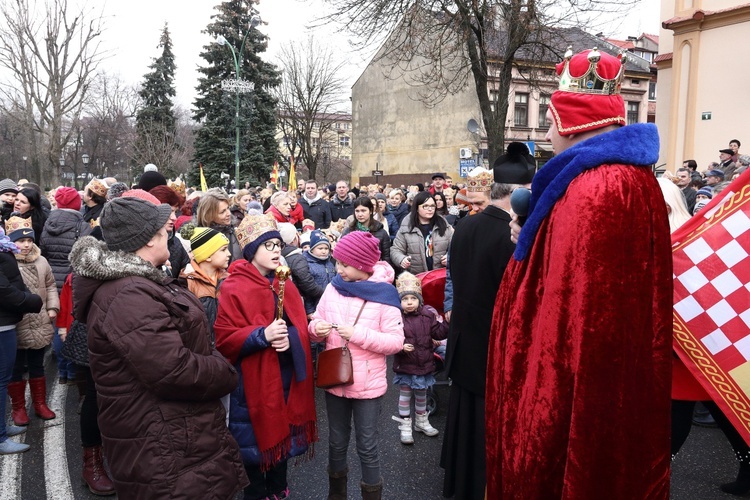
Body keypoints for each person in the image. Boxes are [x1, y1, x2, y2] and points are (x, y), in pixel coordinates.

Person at [485, 47, 672, 498]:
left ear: (571, 119)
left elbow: (582, 323)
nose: (547, 131)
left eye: (550, 119)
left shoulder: (599, 189)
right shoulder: (614, 179)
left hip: (565, 403)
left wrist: (540, 410)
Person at [69, 197, 247, 498]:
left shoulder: (136, 285)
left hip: (171, 434)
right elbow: (172, 370)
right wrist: (224, 370)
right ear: (149, 239)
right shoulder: (128, 294)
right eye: (165, 231)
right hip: (164, 443)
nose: (171, 235)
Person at [214, 215, 317, 500]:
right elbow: (223, 338)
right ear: (251, 250)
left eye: (278, 245)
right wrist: (262, 335)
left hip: (286, 379)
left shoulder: (286, 284)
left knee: (280, 451)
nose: (276, 250)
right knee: (255, 452)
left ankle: (278, 491)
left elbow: (298, 329)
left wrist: (295, 337)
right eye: (268, 245)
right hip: (252, 386)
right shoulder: (235, 287)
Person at [440, 167, 521, 500]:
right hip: (493, 347)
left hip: (465, 341)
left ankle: (461, 485)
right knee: (485, 427)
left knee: (466, 424)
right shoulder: (511, 235)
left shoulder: (465, 226)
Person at [309, 231, 404, 500]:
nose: (338, 269)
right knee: (336, 441)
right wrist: (317, 328)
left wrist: (358, 335)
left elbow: (396, 342)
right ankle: (335, 495)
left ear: (362, 265)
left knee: (367, 445)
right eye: (337, 263)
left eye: (344, 264)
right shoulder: (333, 287)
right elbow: (315, 322)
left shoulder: (385, 294)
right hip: (334, 378)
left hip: (367, 386)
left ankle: (371, 495)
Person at [5, 216, 58, 427]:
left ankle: (40, 403)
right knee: (16, 366)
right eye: (20, 241)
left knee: (38, 364)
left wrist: (52, 307)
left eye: (29, 241)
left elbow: (51, 285)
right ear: (10, 241)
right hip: (16, 322)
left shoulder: (41, 260)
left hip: (39, 319)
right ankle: (18, 407)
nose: (26, 245)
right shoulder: (7, 262)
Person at [391, 271, 448, 445]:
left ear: (419, 300)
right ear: (399, 301)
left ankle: (422, 422)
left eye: (413, 299)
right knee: (405, 395)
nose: (409, 302)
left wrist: (447, 322)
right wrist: (400, 347)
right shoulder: (396, 318)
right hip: (406, 364)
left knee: (422, 395)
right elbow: (392, 338)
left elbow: (438, 332)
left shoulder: (427, 315)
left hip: (424, 364)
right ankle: (405, 426)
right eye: (405, 299)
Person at [40, 187, 90, 385]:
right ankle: (71, 372)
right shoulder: (82, 225)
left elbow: (43, 250)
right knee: (71, 325)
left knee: (57, 326)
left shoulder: (48, 223)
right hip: (72, 282)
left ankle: (61, 371)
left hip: (52, 281)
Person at [0, 226, 43, 454]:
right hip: (2, 322)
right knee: (1, 379)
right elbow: (4, 289)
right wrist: (31, 300)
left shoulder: (2, 243)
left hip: (6, 320)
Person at [178, 225, 231, 347]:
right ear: (206, 256)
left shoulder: (228, 279)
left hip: (226, 346)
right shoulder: (187, 283)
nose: (229, 254)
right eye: (223, 250)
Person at [391, 192, 453, 275]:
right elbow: (396, 250)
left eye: (432, 206)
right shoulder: (407, 226)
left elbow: (455, 247)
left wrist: (449, 257)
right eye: (425, 206)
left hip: (440, 276)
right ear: (416, 208)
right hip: (416, 277)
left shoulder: (444, 225)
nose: (430, 209)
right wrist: (401, 259)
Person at [196, 188, 243, 263]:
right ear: (209, 215)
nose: (228, 214)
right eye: (222, 212)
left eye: (228, 208)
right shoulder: (200, 238)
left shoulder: (234, 231)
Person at [342, 197, 391, 268]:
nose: (360, 214)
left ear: (370, 211)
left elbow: (386, 258)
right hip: (353, 271)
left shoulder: (381, 232)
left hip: (374, 272)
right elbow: (342, 254)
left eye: (363, 210)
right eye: (357, 211)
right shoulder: (348, 231)